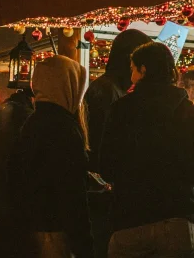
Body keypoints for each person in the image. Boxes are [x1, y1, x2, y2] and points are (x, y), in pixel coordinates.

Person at [99, 41, 194, 258]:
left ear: (143, 70)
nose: (130, 74)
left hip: (129, 220)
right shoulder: (190, 113)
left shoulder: (120, 110)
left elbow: (107, 168)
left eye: (133, 68)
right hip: (178, 223)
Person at [7, 55, 94, 258]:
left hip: (28, 231)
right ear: (69, 86)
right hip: (53, 235)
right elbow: (72, 196)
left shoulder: (32, 123)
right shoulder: (64, 128)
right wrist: (86, 247)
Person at [84, 29, 152, 258]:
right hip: (104, 200)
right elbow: (107, 148)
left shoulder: (113, 89)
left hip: (108, 198)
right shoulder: (107, 91)